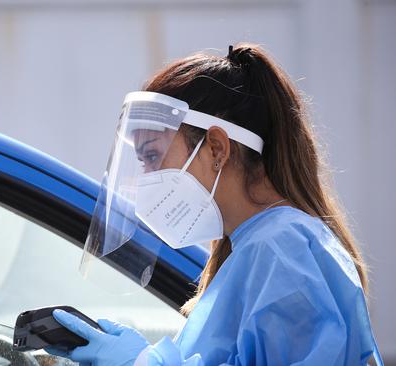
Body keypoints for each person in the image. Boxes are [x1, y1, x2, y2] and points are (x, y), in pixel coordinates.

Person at [46, 44, 383, 365]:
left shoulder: (282, 248)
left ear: (217, 148)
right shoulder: (257, 247)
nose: (144, 179)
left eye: (152, 155)